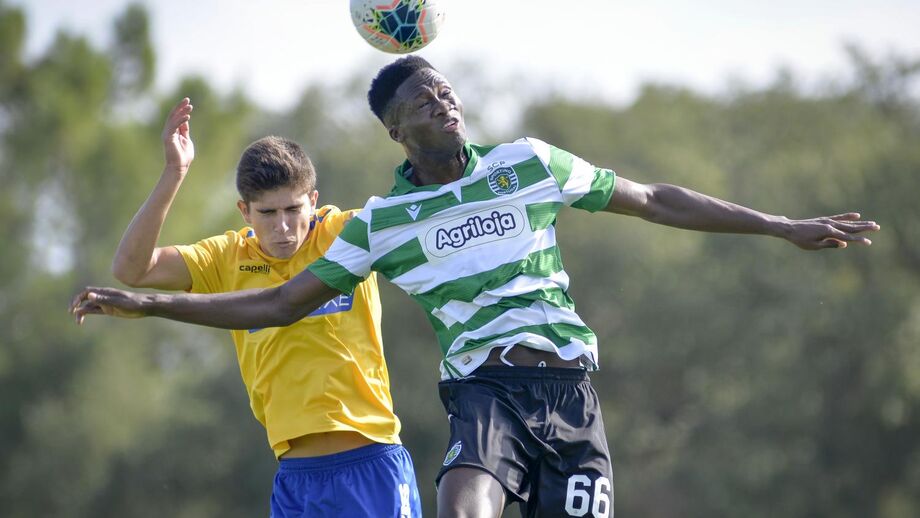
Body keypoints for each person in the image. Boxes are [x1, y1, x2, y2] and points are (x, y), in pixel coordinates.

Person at [73, 60, 879, 517]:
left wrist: (781, 224)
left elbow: (655, 199)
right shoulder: (384, 222)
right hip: (484, 394)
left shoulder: (529, 163)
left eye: (447, 92)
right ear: (397, 131)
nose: (443, 102)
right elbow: (280, 304)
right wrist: (146, 303)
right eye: (423, 101)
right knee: (463, 511)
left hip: (572, 396)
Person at [104, 98, 421, 517]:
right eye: (267, 213)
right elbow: (131, 269)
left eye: (293, 209)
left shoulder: (347, 232)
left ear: (313, 200)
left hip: (370, 464)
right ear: (244, 211)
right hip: (295, 479)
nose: (283, 226)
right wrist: (174, 171)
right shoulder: (226, 257)